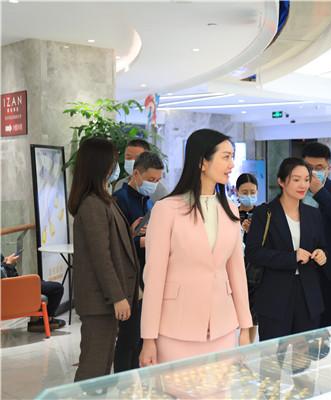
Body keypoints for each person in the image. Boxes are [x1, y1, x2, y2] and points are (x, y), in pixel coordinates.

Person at [139, 129, 252, 366]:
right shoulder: (166, 210)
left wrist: (245, 326)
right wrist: (148, 338)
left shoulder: (231, 210)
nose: (232, 164)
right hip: (176, 329)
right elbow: (154, 277)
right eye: (226, 157)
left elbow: (237, 274)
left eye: (232, 157)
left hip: (223, 327)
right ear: (202, 162)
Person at [68, 137, 139, 381]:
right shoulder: (92, 204)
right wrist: (117, 296)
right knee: (94, 366)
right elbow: (101, 257)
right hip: (99, 301)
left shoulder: (103, 199)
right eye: (113, 161)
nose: (116, 167)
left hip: (103, 301)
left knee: (102, 364)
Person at [245, 157, 327, 341]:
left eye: (306, 179)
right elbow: (253, 252)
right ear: (281, 181)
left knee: (305, 353)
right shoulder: (264, 213)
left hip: (308, 297)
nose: (303, 185)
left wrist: (322, 254)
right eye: (296, 179)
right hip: (275, 296)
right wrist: (292, 257)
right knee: (273, 353)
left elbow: (322, 246)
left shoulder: (313, 214)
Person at [112, 151, 164, 372]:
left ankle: (137, 379)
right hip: (129, 279)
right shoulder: (120, 200)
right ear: (136, 174)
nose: (154, 184)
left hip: (146, 275)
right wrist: (143, 240)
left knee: (142, 336)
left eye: (158, 180)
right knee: (129, 337)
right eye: (151, 179)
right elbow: (117, 245)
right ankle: (124, 382)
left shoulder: (148, 202)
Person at [301, 142, 331, 328]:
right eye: (309, 167)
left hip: (329, 270)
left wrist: (319, 192)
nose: (314, 172)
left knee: (327, 325)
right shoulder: (294, 190)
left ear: (329, 168)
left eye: (319, 167)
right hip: (299, 268)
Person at [1, 253, 65, 331]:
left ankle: (36, 321)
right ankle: (47, 320)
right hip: (14, 290)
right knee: (57, 288)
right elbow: (8, 282)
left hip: (15, 287)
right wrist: (8, 264)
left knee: (44, 285)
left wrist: (5, 262)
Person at [235, 172, 259, 343]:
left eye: (252, 192)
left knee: (252, 316)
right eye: (244, 192)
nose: (249, 196)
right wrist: (240, 230)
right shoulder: (231, 213)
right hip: (236, 269)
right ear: (237, 192)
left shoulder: (263, 214)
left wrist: (253, 232)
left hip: (255, 273)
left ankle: (249, 347)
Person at [115, 139, 168, 203]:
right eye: (128, 157)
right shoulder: (120, 185)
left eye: (138, 158)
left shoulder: (160, 192)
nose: (133, 161)